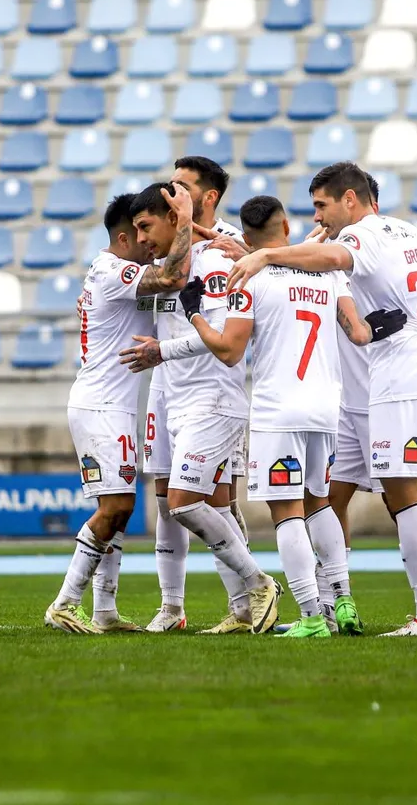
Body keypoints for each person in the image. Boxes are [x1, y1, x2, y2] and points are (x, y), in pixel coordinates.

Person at [227, 163, 417, 637]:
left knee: (408, 497)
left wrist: (265, 256)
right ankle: (376, 607)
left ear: (349, 199)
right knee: (396, 496)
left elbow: (332, 257)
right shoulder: (405, 230)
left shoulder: (357, 239)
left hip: (399, 379)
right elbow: (412, 297)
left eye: (322, 205)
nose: (318, 216)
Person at [176, 195, 406, 637]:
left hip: (279, 410)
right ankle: (343, 601)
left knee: (287, 511)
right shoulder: (327, 272)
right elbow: (359, 333)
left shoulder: (248, 278)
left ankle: (312, 617)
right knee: (320, 503)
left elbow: (229, 351)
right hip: (326, 408)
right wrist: (383, 325)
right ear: (285, 227)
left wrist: (195, 315)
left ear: (246, 238)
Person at [121, 183, 281, 636]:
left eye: (146, 226)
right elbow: (143, 302)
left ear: (178, 215)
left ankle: (259, 583)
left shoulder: (215, 261)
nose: (142, 239)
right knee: (200, 504)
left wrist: (161, 351)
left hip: (212, 399)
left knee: (184, 502)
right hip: (175, 401)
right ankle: (241, 609)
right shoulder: (169, 266)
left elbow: (221, 337)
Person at [44, 189, 193, 634]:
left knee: (120, 510)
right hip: (101, 406)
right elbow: (170, 277)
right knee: (116, 507)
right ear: (124, 237)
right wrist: (185, 221)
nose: (149, 243)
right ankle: (64, 602)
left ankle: (104, 610)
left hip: (113, 406)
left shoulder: (113, 276)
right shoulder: (113, 271)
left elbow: (164, 292)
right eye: (141, 233)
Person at [141, 157, 250, 633]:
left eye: (182, 187)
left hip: (211, 389)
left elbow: (227, 329)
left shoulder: (228, 247)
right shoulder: (165, 239)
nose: (172, 193)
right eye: (170, 185)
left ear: (209, 196)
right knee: (165, 498)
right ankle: (171, 607)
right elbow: (156, 287)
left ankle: (245, 604)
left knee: (216, 499)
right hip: (165, 386)